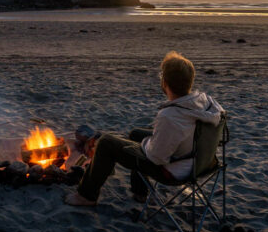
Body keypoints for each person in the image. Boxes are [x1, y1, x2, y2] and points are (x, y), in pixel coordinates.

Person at [65, 51, 224, 206]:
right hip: (200, 160)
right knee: (135, 133)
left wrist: (146, 144)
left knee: (106, 142)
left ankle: (86, 196)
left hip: (175, 171)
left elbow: (157, 157)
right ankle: (140, 192)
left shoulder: (170, 116)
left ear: (165, 83)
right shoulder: (205, 103)